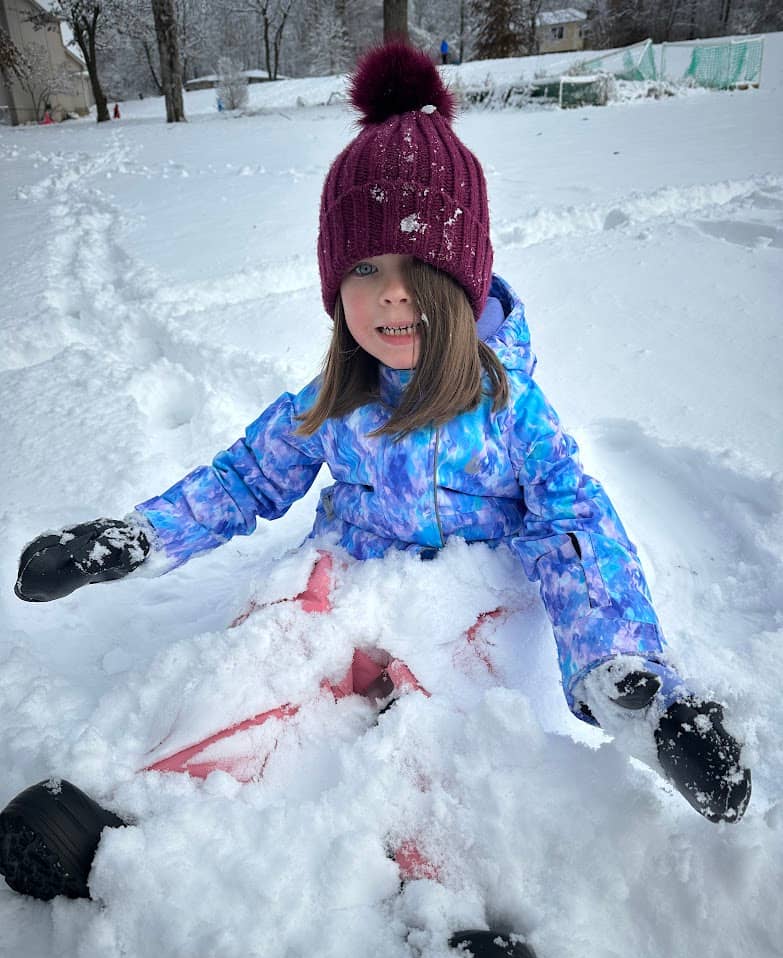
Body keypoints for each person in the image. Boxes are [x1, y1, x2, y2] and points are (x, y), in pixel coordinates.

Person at [2, 42, 751, 908]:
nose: (391, 295)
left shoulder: (512, 410)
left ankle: (444, 917)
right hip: (347, 573)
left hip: (469, 595)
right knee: (267, 650)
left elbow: (580, 535)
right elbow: (242, 479)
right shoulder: (336, 395)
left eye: (418, 268)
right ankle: (128, 808)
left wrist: (632, 687)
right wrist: (136, 538)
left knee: (444, 721)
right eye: (364, 269)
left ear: (462, 279)